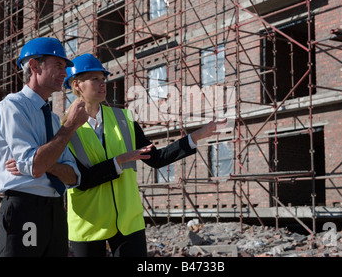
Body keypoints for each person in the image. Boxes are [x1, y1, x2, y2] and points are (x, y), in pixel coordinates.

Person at [62, 53, 227, 257]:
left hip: (128, 222)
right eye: (95, 79)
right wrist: (119, 161)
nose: (103, 83)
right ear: (77, 85)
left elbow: (156, 159)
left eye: (103, 79)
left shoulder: (123, 120)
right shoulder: (64, 129)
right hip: (89, 224)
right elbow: (81, 180)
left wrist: (196, 136)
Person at [0, 37, 89, 257]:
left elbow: (72, 177)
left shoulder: (52, 119)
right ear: (34, 66)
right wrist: (68, 127)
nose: (65, 73)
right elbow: (35, 166)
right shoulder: (12, 108)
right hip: (25, 208)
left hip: (55, 209)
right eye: (58, 65)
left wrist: (45, 163)